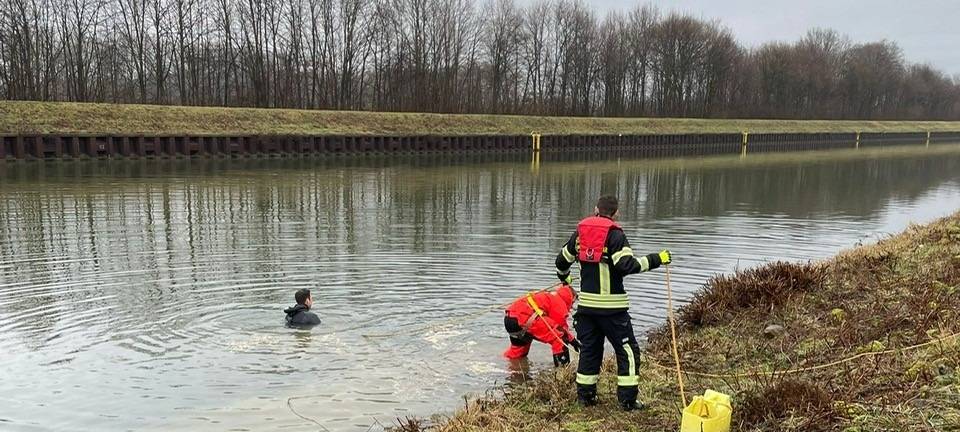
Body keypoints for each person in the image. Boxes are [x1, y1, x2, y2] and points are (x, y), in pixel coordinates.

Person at [555, 195, 672, 411]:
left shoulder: (580, 233)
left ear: (596, 209)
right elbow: (627, 265)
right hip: (612, 310)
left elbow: (561, 262)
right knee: (627, 350)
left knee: (590, 351)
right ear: (616, 213)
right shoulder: (615, 235)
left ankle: (586, 398)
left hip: (586, 310)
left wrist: (565, 279)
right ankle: (627, 401)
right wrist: (658, 258)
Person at [503, 284, 582, 367]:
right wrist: (573, 341)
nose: (572, 306)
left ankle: (505, 367)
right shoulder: (560, 303)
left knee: (517, 353)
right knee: (559, 339)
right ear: (570, 298)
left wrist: (572, 340)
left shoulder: (549, 296)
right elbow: (560, 329)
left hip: (510, 319)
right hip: (524, 318)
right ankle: (563, 372)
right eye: (572, 303)